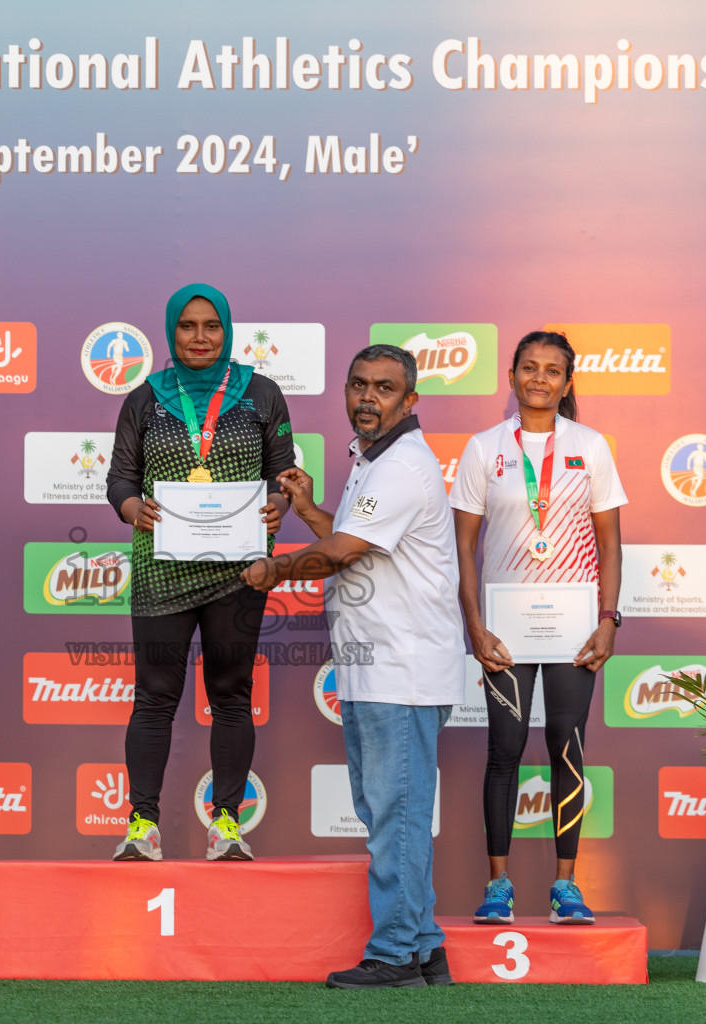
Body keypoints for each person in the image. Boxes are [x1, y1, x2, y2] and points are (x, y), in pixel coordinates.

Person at [243, 344, 464, 988]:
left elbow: (341, 555)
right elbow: (353, 540)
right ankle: (423, 945)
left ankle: (395, 953)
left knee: (393, 812)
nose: (368, 398)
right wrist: (309, 509)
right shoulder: (373, 459)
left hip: (402, 668)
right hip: (379, 668)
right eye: (359, 385)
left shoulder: (401, 465)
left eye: (385, 389)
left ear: (410, 400)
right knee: (389, 810)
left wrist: (274, 568)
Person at [105, 283, 294, 862]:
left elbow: (285, 472)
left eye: (211, 326)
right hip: (161, 569)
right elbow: (119, 480)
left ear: (228, 330)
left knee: (232, 696)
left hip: (238, 572)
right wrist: (133, 509)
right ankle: (143, 826)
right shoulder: (144, 398)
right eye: (188, 326)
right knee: (155, 698)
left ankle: (227, 825)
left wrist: (281, 504)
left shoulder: (261, 394)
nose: (200, 337)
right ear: (170, 332)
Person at [449, 330, 626, 927]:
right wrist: (474, 626)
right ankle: (497, 885)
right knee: (504, 749)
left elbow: (610, 542)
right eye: (530, 367)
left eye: (553, 370)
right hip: (506, 631)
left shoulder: (592, 446)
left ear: (568, 382)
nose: (540, 378)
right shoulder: (483, 449)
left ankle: (564, 886)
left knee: (567, 748)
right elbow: (464, 550)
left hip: (575, 629)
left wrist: (608, 620)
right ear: (513, 376)